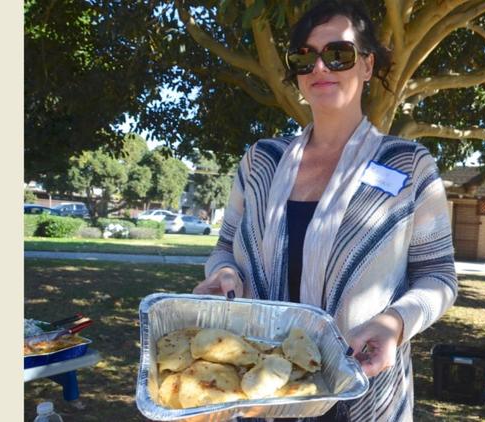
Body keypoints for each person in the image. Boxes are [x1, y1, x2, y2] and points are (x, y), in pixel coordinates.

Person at [193, 1, 457, 420]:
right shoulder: (261, 161)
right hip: (258, 390)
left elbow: (438, 276)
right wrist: (224, 275)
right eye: (304, 57)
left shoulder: (408, 165)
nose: (320, 67)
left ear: (367, 66)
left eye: (338, 54)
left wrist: (395, 324)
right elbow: (225, 247)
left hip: (363, 393)